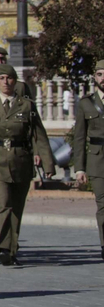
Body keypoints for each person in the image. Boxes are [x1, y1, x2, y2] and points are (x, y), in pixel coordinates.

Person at [0, 64, 55, 266]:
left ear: (15, 81)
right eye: (2, 78)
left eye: (9, 78)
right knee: (3, 202)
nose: (6, 82)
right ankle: (2, 247)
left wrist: (47, 163)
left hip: (20, 160)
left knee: (16, 207)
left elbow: (39, 135)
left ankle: (10, 249)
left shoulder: (26, 106)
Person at [69, 61, 104, 261]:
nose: (103, 78)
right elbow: (79, 137)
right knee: (103, 205)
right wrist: (79, 168)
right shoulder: (86, 103)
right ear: (95, 78)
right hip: (98, 160)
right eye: (99, 74)